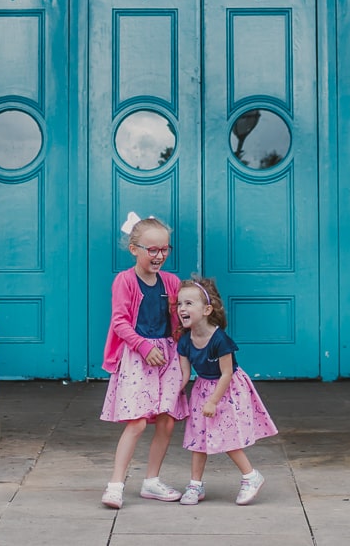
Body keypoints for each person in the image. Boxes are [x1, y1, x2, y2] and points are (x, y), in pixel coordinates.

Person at [99, 212, 188, 509]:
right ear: (134, 249)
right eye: (152, 250)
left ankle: (151, 481)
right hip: (138, 358)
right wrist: (142, 346)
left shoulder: (172, 282)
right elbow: (120, 322)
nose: (159, 255)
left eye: (165, 249)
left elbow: (180, 320)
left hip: (167, 357)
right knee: (137, 422)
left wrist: (186, 355)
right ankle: (115, 484)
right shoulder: (124, 281)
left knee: (166, 422)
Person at [176, 277, 278, 506]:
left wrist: (213, 401)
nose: (182, 308)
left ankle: (251, 476)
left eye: (189, 303)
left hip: (228, 390)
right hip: (203, 390)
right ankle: (195, 484)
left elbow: (227, 373)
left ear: (207, 310)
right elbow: (184, 375)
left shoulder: (220, 339)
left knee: (227, 436)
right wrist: (171, 395)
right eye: (179, 304)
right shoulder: (184, 341)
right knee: (198, 439)